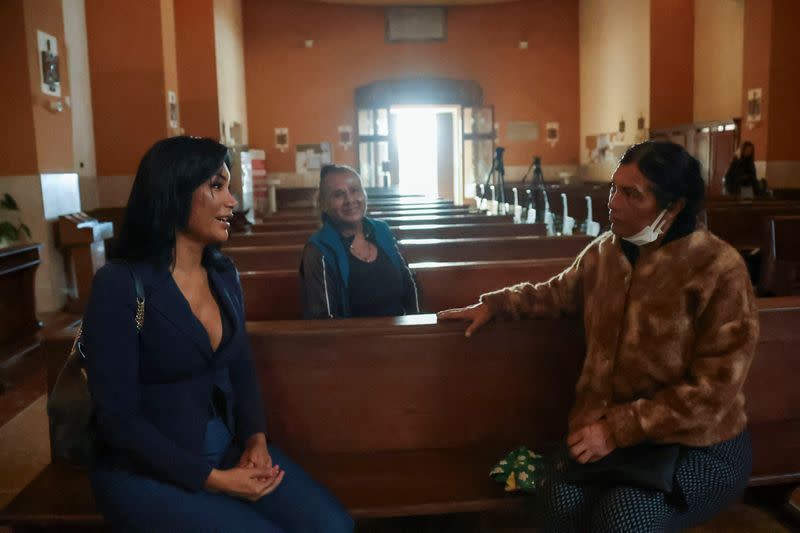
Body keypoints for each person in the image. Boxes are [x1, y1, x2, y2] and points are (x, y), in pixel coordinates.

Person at [439, 141, 758, 531]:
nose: (613, 202)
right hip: (604, 434)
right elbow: (555, 293)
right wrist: (497, 305)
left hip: (694, 444)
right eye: (613, 188)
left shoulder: (718, 268)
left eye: (631, 194)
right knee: (555, 505)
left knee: (622, 517)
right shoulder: (604, 253)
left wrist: (616, 430)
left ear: (672, 207)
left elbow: (714, 390)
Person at [83, 137, 353, 532]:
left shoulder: (223, 274)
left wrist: (256, 440)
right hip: (146, 468)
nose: (232, 200)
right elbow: (118, 419)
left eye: (229, 185)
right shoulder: (120, 284)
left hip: (226, 448)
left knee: (333, 526)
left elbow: (240, 368)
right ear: (174, 192)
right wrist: (215, 480)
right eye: (216, 186)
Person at [299, 164, 420, 319]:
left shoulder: (382, 230)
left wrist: (417, 331)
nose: (350, 200)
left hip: (399, 335)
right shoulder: (318, 249)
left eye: (355, 190)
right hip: (351, 340)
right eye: (338, 194)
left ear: (364, 194)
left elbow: (409, 285)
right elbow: (324, 320)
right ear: (324, 204)